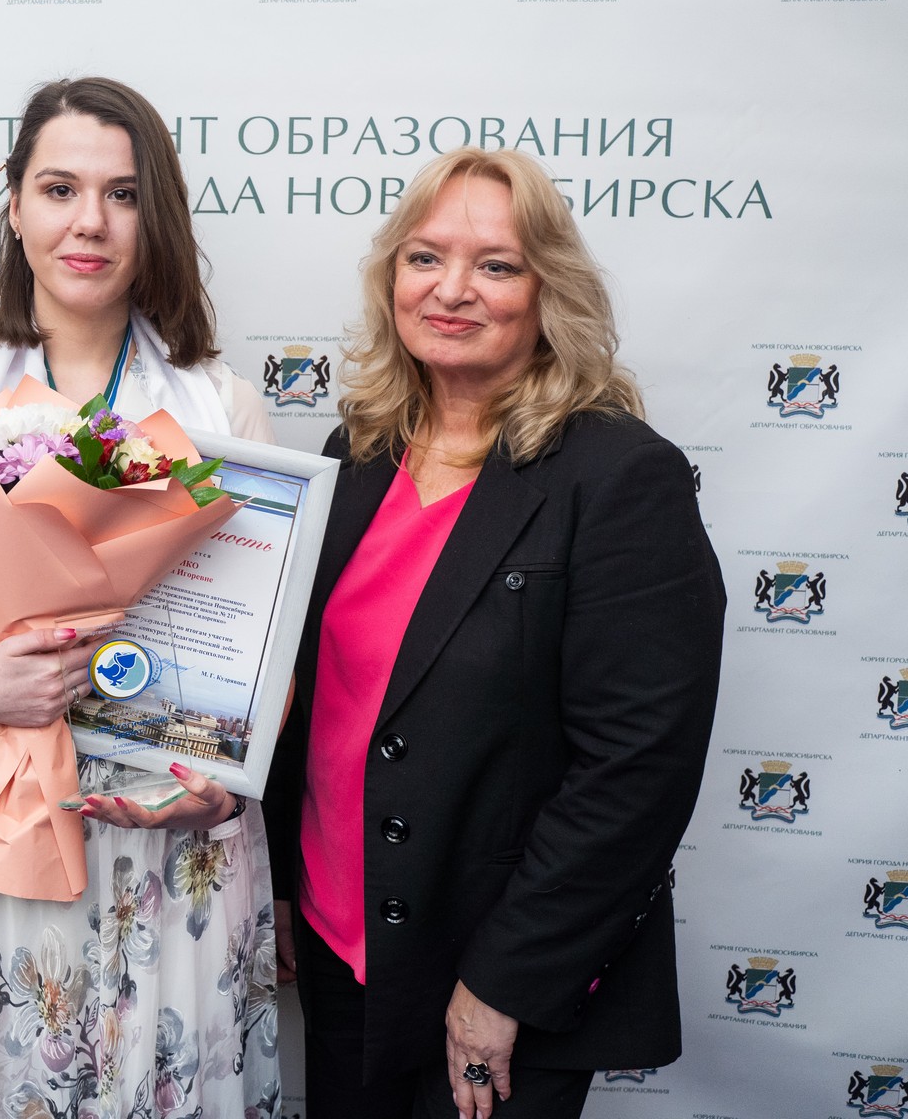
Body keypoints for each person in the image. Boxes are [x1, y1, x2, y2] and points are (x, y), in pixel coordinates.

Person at [0, 77, 283, 1118]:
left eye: (123, 195)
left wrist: (227, 784)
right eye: (60, 188)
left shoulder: (221, 408)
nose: (90, 223)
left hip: (158, 837)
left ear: (156, 216)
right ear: (15, 203)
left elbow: (266, 652)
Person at [262, 147, 724, 1119]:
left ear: (549, 290)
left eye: (497, 265)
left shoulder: (618, 476)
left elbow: (636, 769)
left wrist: (505, 983)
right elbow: (313, 698)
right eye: (425, 257)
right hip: (342, 947)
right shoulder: (357, 452)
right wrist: (283, 883)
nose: (452, 289)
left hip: (492, 978)